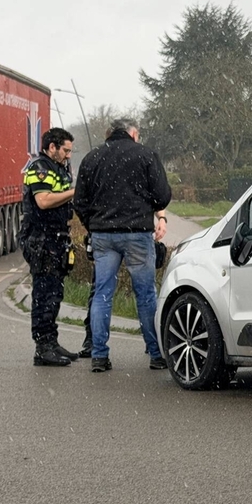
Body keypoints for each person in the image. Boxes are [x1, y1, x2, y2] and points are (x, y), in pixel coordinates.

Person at [73, 118, 172, 373]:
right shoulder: (146, 155)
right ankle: (156, 353)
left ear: (109, 134)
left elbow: (80, 201)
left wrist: (93, 224)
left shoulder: (92, 158)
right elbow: (162, 196)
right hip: (138, 234)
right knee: (146, 294)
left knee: (102, 294)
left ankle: (99, 355)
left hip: (103, 236)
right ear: (134, 134)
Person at [18, 127, 79, 367]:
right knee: (43, 294)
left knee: (55, 293)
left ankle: (51, 342)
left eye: (71, 151)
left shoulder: (60, 168)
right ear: (51, 147)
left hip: (57, 237)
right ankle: (42, 347)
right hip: (40, 238)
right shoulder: (39, 168)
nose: (68, 155)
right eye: (65, 150)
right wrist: (75, 192)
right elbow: (43, 201)